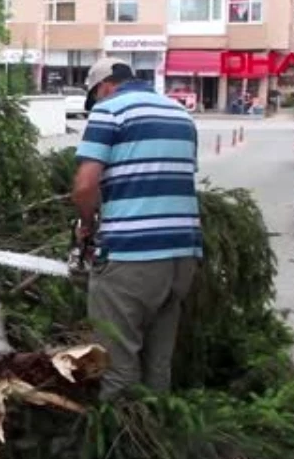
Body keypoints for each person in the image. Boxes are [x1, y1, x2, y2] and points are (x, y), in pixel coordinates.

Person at [70, 57, 203, 399]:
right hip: (182, 255)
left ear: (105, 87)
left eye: (95, 97)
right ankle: (157, 438)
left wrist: (87, 226)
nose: (96, 105)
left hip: (133, 256)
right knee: (158, 364)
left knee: (116, 366)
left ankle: (119, 444)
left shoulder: (110, 110)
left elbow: (85, 187)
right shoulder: (180, 113)